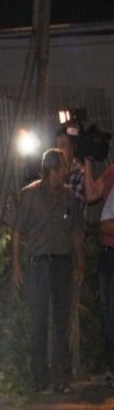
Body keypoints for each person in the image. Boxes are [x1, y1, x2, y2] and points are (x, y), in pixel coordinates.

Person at [11, 148, 85, 394]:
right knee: (39, 321)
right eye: (64, 167)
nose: (66, 172)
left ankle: (61, 378)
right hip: (38, 264)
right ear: (54, 170)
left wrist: (80, 263)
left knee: (62, 322)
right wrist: (17, 265)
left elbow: (76, 232)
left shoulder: (68, 197)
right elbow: (17, 231)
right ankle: (40, 377)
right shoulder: (29, 195)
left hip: (62, 263)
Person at [84, 156, 114, 385]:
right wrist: (87, 161)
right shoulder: (112, 171)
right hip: (108, 253)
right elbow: (91, 195)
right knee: (107, 312)